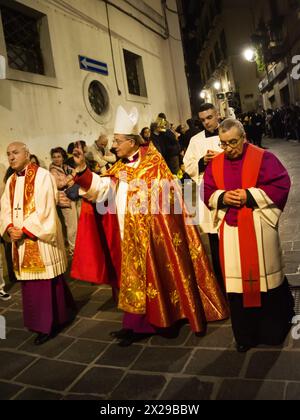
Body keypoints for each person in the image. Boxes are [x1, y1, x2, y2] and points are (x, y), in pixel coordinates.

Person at [71, 106, 228, 347]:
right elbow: (101, 190)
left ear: (133, 142)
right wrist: (82, 171)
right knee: (133, 280)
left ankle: (167, 318)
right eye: (114, 141)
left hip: (156, 238)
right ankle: (134, 325)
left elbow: (171, 201)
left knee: (159, 275)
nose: (114, 146)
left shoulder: (155, 165)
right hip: (127, 236)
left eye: (118, 141)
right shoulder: (118, 169)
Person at [204, 118, 295, 352]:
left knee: (266, 281)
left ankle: (273, 332)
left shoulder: (263, 157)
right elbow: (207, 191)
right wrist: (222, 198)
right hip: (232, 234)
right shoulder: (216, 164)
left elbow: (282, 184)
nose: (229, 148)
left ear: (244, 138)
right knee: (238, 289)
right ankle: (245, 336)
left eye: (233, 142)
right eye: (224, 144)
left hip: (258, 227)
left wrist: (249, 196)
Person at [0, 142, 75, 345]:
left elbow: (46, 209)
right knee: (34, 284)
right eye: (8, 154)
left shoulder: (42, 176)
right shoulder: (11, 181)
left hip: (39, 238)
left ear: (27, 154)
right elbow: (5, 207)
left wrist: (23, 229)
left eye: (15, 153)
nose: (11, 157)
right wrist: (9, 228)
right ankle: (59, 314)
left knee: (44, 282)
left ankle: (46, 324)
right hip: (20, 240)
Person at [183, 103, 224, 291]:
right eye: (203, 120)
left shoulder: (229, 131)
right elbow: (187, 164)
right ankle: (221, 284)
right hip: (207, 194)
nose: (207, 122)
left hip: (228, 191)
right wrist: (201, 162)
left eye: (210, 117)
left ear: (217, 115)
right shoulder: (196, 140)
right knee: (214, 240)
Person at [49, 147, 78, 257]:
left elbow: (77, 175)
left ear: (63, 157)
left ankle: (74, 246)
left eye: (59, 156)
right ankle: (72, 249)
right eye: (54, 157)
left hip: (72, 197)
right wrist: (70, 177)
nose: (56, 159)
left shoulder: (65, 167)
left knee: (75, 224)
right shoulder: (53, 170)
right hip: (64, 199)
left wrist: (70, 179)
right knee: (71, 226)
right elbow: (59, 184)